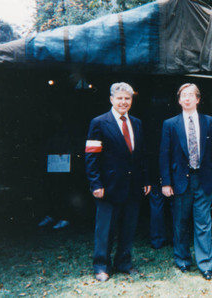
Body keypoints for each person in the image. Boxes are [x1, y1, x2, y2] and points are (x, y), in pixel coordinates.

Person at [85, 82, 151, 282]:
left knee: (128, 227)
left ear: (131, 101)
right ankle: (101, 266)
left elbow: (141, 155)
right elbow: (91, 157)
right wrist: (96, 184)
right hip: (108, 186)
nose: (123, 102)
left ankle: (123, 262)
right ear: (111, 99)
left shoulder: (137, 123)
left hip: (133, 185)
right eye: (120, 98)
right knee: (105, 229)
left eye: (127, 98)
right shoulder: (98, 122)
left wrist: (146, 179)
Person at [159, 83, 212, 281]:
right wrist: (166, 182)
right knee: (180, 222)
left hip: (203, 180)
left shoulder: (210, 122)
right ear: (179, 100)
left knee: (203, 223)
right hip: (179, 182)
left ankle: (205, 264)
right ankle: (183, 259)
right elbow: (164, 155)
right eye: (183, 95)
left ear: (198, 99)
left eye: (191, 95)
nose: (187, 98)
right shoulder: (170, 124)